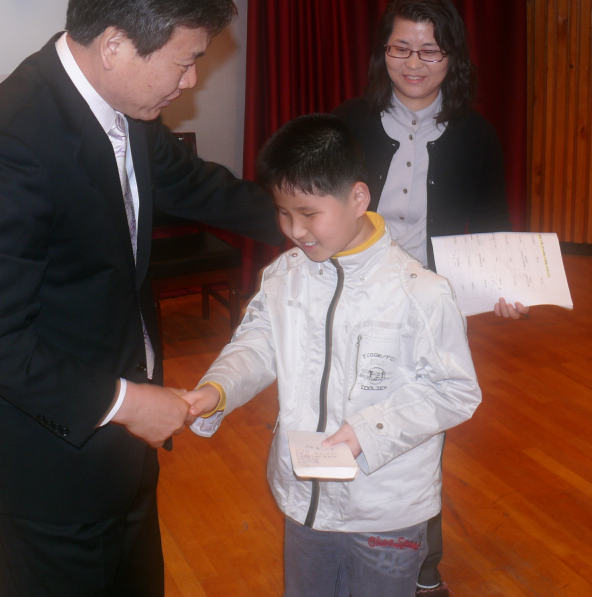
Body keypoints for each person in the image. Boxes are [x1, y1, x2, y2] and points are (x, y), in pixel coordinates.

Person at [0, 0, 282, 597]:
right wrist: (125, 403)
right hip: (42, 464)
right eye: (185, 62)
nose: (189, 82)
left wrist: (310, 223)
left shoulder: (123, 103)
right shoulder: (10, 147)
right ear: (115, 45)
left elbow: (196, 185)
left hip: (118, 443)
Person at [182, 114, 481, 597]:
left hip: (385, 509)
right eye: (282, 212)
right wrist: (216, 390)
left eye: (308, 212)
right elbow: (258, 344)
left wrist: (368, 431)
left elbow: (455, 391)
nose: (295, 230)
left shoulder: (420, 292)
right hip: (305, 499)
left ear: (358, 198)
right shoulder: (285, 276)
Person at [333, 0, 523, 595]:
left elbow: (492, 229)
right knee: (345, 423)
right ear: (382, 52)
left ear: (454, 60)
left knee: (419, 436)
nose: (414, 64)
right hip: (353, 299)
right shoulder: (348, 123)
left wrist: (505, 286)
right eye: (401, 48)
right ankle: (342, 541)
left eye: (431, 52)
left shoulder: (476, 135)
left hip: (431, 307)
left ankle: (420, 565)